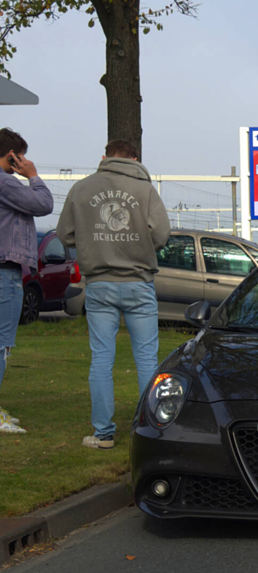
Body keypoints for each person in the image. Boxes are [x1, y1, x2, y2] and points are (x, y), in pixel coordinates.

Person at [56, 140, 170, 449]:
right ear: (135, 158)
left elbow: (65, 233)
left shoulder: (81, 189)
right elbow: (161, 234)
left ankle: (103, 433)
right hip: (138, 281)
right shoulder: (145, 190)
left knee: (101, 360)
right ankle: (154, 431)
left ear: (104, 157)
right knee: (147, 360)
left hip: (99, 282)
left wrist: (92, 241)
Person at [0, 128, 54, 434]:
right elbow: (44, 203)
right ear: (12, 155)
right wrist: (32, 174)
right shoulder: (4, 181)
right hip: (4, 271)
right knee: (2, 344)